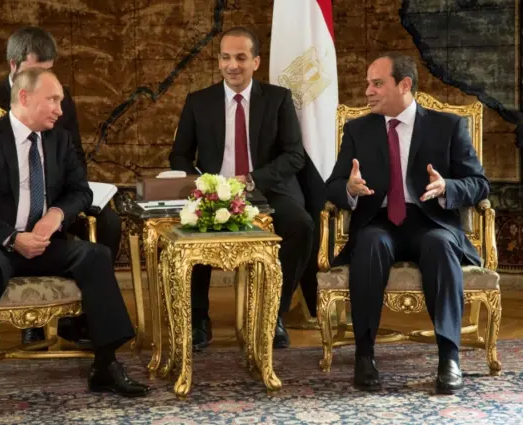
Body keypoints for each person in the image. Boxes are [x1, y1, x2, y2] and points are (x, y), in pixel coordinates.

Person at [0, 68, 149, 417]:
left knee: (95, 256)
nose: (60, 108)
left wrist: (57, 214)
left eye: (60, 100)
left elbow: (80, 191)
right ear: (24, 98)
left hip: (41, 243)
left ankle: (105, 364)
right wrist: (13, 238)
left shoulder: (59, 140)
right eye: (53, 99)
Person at [325, 53, 489, 394]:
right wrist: (349, 189)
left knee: (441, 244)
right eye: (368, 83)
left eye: (377, 83)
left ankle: (449, 357)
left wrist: (449, 187)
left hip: (431, 219)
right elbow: (333, 183)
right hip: (379, 220)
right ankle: (365, 355)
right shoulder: (357, 129)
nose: (367, 90)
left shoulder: (447, 126)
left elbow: (479, 184)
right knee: (370, 245)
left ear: (404, 84)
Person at [0, 26, 122, 347]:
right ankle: (32, 320)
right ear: (14, 66)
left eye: (49, 72)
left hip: (52, 197)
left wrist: (58, 210)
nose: (47, 83)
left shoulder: (59, 99)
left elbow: (75, 159)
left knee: (108, 222)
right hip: (4, 209)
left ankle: (79, 317)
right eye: (36, 71)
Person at [169, 26, 314, 350]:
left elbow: (295, 155)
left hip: (266, 186)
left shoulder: (277, 99)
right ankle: (198, 318)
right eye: (225, 57)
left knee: (301, 226)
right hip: (212, 189)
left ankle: (273, 311)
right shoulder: (199, 101)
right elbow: (178, 154)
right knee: (191, 227)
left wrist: (252, 179)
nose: (232, 65)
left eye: (240, 57)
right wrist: (200, 184)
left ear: (256, 62)